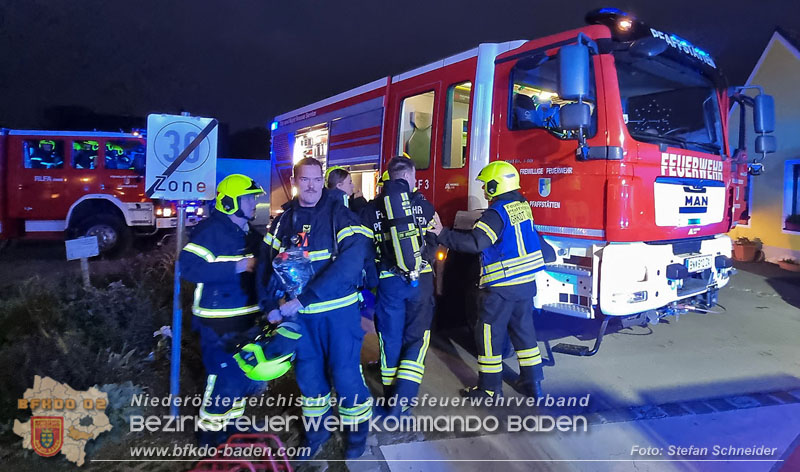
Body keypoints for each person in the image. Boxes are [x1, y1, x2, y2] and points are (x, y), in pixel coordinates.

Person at [258, 157, 373, 459]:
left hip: (338, 315)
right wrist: (269, 304)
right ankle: (316, 436)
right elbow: (265, 265)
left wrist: (303, 299)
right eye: (304, 179)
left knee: (346, 375)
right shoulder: (284, 220)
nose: (310, 185)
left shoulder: (341, 215)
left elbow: (350, 264)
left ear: (323, 180)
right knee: (309, 380)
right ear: (295, 182)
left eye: (315, 179)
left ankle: (357, 435)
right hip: (301, 321)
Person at [431, 160, 545, 399]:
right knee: (524, 333)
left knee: (489, 335)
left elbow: (475, 243)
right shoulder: (522, 206)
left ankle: (490, 389)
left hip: (500, 288)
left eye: (486, 185)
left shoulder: (496, 213)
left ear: (497, 185)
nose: (483, 190)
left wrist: (441, 234)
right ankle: (532, 384)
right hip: (525, 284)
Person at [179, 174, 265, 446]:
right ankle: (210, 434)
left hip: (246, 318)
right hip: (217, 321)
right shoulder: (210, 232)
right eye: (249, 198)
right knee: (224, 376)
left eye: (253, 198)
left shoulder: (250, 234)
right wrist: (237, 267)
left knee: (242, 375)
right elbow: (189, 267)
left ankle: (233, 424)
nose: (254, 203)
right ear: (230, 202)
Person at [360, 156, 436, 416]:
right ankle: (403, 400)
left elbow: (365, 249)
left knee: (389, 338)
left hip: (388, 281)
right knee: (418, 336)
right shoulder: (424, 206)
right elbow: (435, 239)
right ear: (410, 176)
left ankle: (390, 393)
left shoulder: (371, 209)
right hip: (421, 279)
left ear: (389, 178)